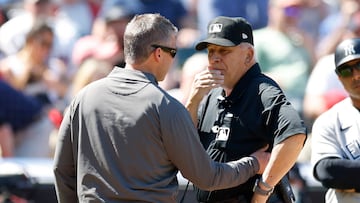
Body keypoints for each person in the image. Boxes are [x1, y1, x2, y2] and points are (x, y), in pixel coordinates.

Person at [53, 13, 271, 203]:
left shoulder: (83, 98)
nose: (173, 60)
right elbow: (207, 178)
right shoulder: (165, 106)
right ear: (158, 54)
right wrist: (253, 163)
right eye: (173, 52)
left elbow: (61, 170)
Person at [185, 16, 307, 203]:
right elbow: (185, 146)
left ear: (248, 55)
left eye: (223, 51)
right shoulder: (211, 93)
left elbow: (295, 134)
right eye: (211, 51)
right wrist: (193, 101)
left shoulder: (262, 91)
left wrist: (263, 191)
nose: (214, 58)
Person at [311, 38, 360, 203]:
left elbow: (341, 172)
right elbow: (328, 171)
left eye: (359, 65)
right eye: (346, 70)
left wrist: (351, 178)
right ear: (339, 78)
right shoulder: (329, 120)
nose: (356, 75)